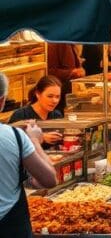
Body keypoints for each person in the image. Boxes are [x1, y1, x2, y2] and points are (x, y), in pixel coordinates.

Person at [0, 72, 57, 236]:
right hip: (10, 227)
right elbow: (49, 179)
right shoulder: (14, 136)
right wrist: (35, 141)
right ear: (2, 101)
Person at [9, 77, 64, 146]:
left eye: (57, 97)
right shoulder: (21, 115)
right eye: (50, 96)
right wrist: (41, 137)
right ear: (38, 94)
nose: (54, 101)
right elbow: (10, 141)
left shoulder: (57, 115)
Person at [46, 43, 85, 112]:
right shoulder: (56, 44)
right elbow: (49, 71)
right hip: (61, 91)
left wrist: (79, 69)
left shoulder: (69, 44)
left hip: (71, 90)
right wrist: (72, 72)